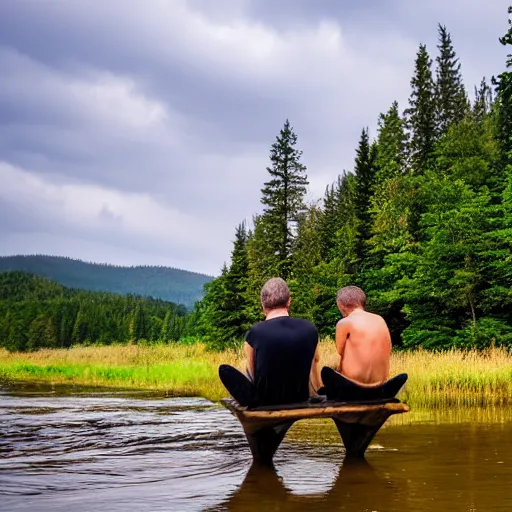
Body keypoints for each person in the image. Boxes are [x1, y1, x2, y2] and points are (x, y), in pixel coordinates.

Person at [219, 277, 321, 408]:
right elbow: (315, 366)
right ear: (289, 301)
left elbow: (252, 373)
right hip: (300, 398)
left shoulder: (255, 332)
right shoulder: (310, 329)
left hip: (267, 402)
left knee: (227, 371)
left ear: (263, 304)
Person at [331, 285, 391, 385]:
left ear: (341, 305)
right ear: (362, 302)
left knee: (329, 370)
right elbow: (389, 349)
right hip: (380, 382)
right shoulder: (380, 319)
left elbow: (340, 352)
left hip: (354, 382)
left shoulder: (344, 322)